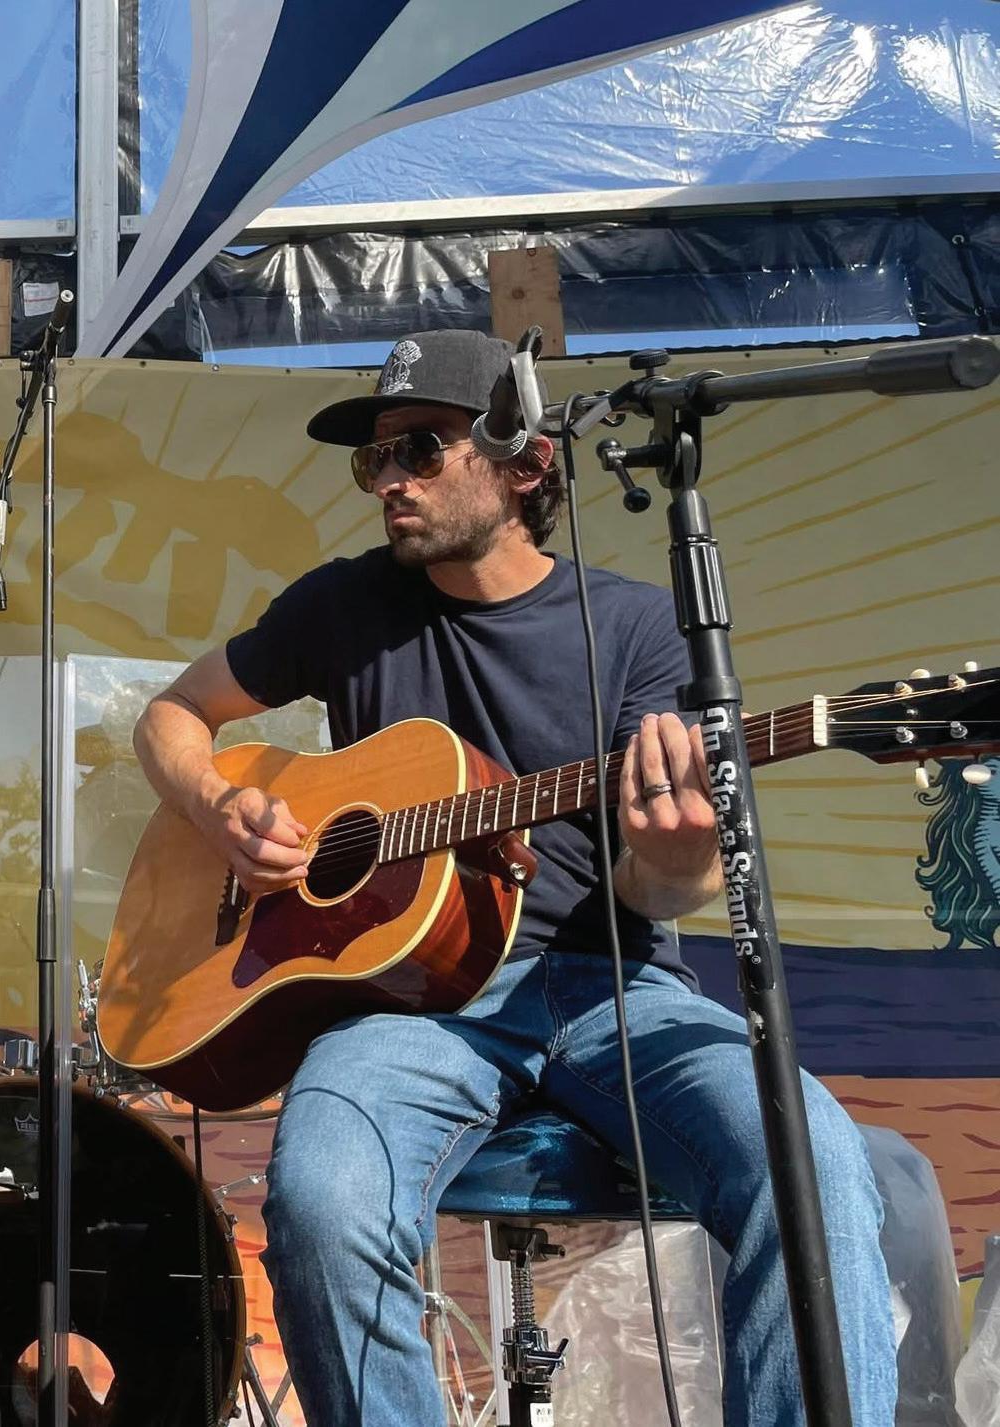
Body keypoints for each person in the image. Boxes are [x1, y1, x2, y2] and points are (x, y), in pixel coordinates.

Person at [130, 330, 895, 1426]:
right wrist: (218, 804)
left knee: (810, 1163)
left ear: (525, 463)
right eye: (375, 457)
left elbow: (652, 894)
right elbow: (173, 714)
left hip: (611, 989)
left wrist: (675, 856)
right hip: (408, 1009)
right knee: (322, 1198)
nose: (387, 480)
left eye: (420, 449)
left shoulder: (635, 626)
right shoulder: (342, 607)